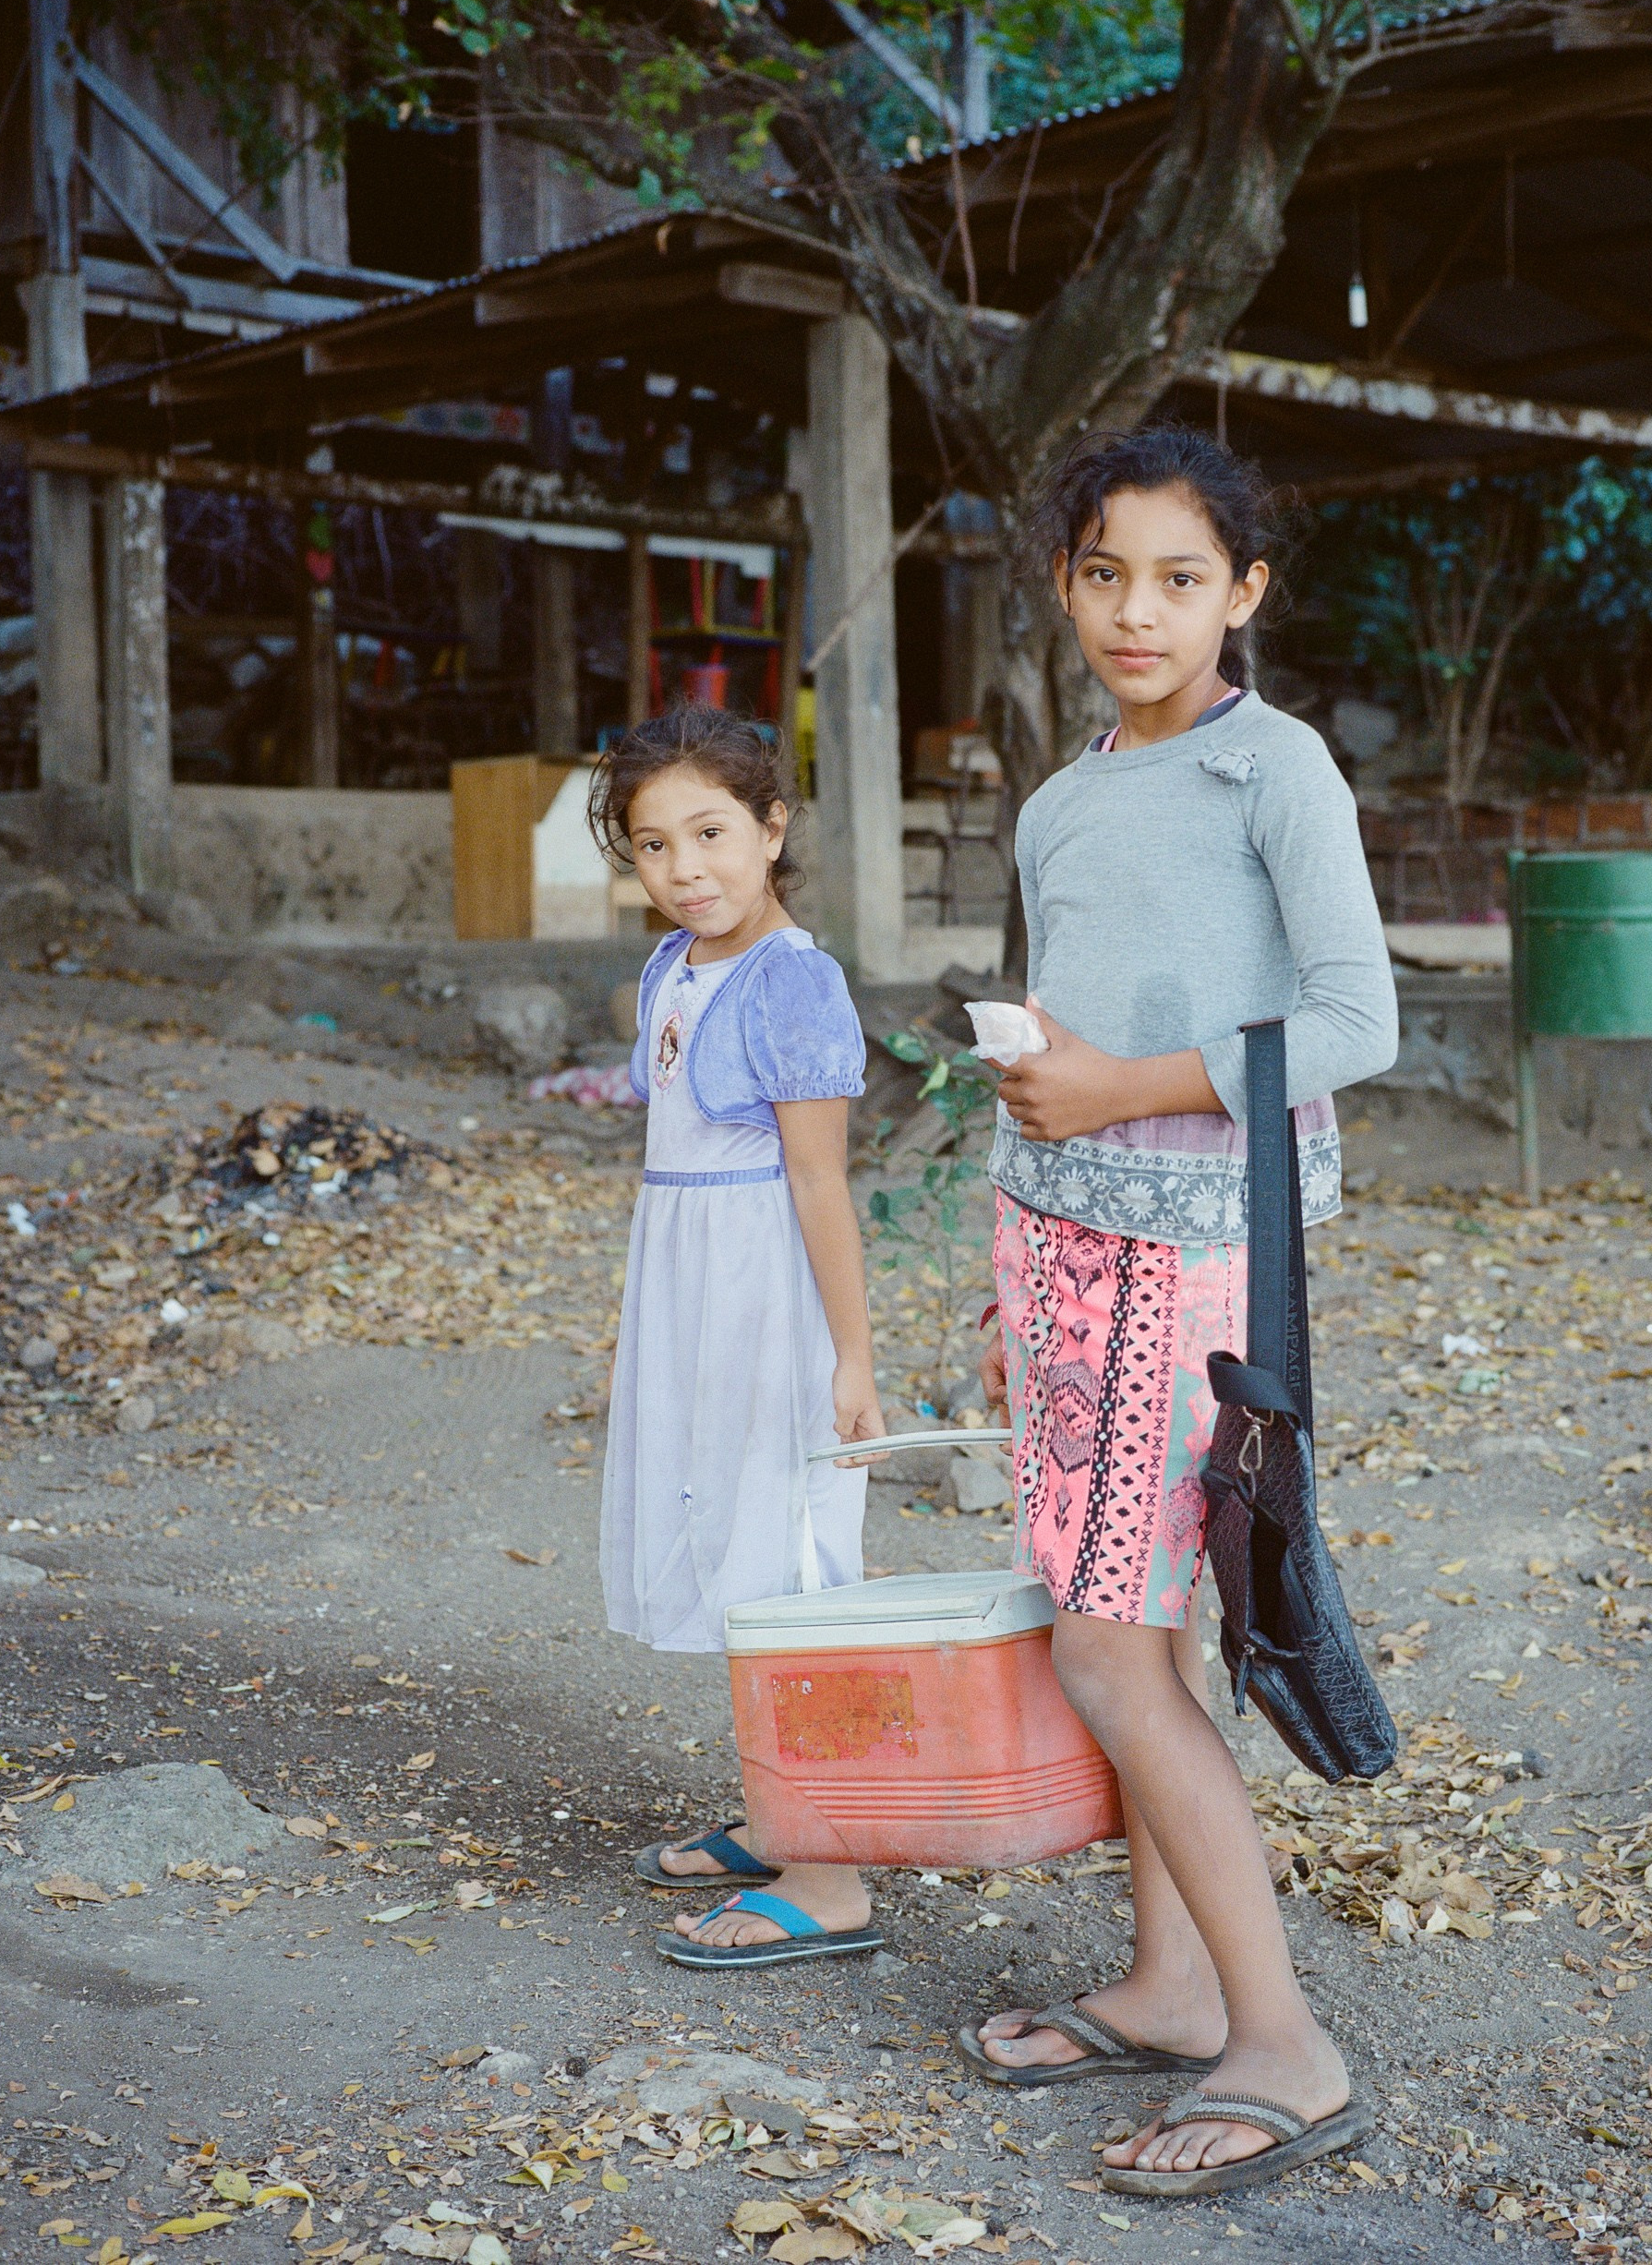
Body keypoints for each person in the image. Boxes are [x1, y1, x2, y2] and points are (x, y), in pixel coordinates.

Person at [957, 428, 1398, 2197]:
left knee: (1112, 1650)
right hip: (1054, 1248)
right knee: (1131, 1623)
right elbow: (1058, 1052)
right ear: (1064, 585)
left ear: (1247, 595)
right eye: (1106, 574)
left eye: (1182, 577)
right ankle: (1168, 1984)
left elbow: (1360, 1020)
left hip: (1201, 1263)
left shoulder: (1273, 771)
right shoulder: (1061, 797)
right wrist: (1026, 1186)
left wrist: (1129, 1080)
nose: (1139, 612)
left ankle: (1283, 2043)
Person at [592, 702, 885, 1968]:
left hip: (768, 1293)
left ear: (773, 827)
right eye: (653, 846)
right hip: (685, 1283)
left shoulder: (795, 983)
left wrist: (853, 1358)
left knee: (783, 1555)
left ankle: (829, 1876)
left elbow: (821, 1186)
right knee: (724, 1536)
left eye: (711, 832)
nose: (685, 869)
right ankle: (783, 1817)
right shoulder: (673, 967)